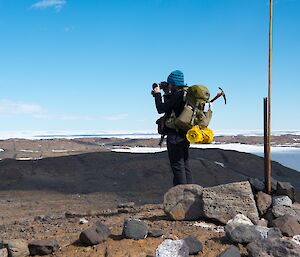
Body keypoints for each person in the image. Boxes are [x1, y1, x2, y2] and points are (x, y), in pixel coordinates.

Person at [152, 70, 192, 186]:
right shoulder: (185, 94)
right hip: (185, 134)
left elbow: (161, 108)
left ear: (172, 83)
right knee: (185, 165)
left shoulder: (178, 95)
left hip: (175, 136)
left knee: (177, 167)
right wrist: (166, 93)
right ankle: (190, 192)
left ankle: (182, 195)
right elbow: (171, 109)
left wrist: (157, 94)